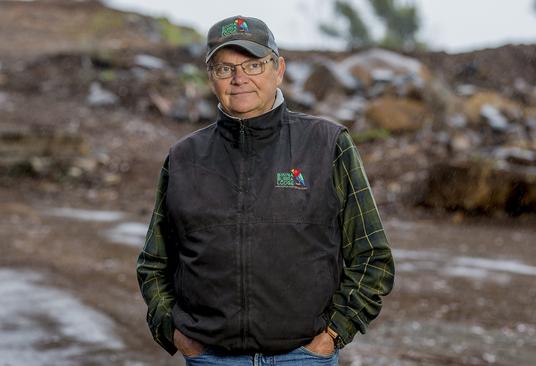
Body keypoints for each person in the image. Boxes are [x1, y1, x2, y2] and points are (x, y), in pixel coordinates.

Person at [137, 15, 394, 366]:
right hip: (212, 360)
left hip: (304, 358)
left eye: (254, 65)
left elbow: (372, 256)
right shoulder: (183, 158)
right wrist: (175, 332)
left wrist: (332, 335)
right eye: (225, 68)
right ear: (210, 77)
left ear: (279, 69)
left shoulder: (328, 144)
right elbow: (154, 263)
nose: (240, 78)